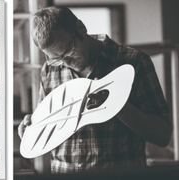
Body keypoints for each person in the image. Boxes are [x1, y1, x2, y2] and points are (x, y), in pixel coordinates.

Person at [18, 6, 172, 174]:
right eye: (56, 59)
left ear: (81, 28)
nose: (66, 63)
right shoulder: (49, 69)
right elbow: (50, 127)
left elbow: (162, 135)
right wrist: (33, 128)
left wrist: (117, 104)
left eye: (70, 52)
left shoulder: (134, 61)